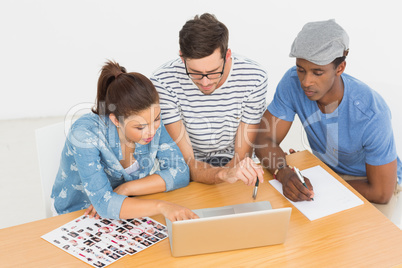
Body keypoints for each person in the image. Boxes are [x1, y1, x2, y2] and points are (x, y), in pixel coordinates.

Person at [255, 19, 402, 218]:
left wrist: (321, 186)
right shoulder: (291, 82)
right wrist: (283, 172)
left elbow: (381, 192)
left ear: (340, 68)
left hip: (367, 183)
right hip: (326, 173)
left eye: (318, 72)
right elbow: (264, 139)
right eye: (301, 69)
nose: (306, 82)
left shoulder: (371, 112)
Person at [51, 60, 198, 222]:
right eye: (140, 127)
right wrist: (161, 206)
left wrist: (126, 188)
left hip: (129, 206)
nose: (152, 131)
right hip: (79, 213)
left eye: (156, 119)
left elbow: (180, 172)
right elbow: (103, 204)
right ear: (116, 120)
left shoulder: (151, 121)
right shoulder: (84, 135)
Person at [151, 13, 266, 185]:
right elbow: (187, 163)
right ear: (182, 58)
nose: (205, 82)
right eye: (195, 73)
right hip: (188, 170)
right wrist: (223, 175)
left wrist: (229, 175)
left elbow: (241, 156)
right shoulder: (163, 81)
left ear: (227, 56)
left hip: (236, 168)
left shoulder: (254, 77)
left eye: (213, 72)